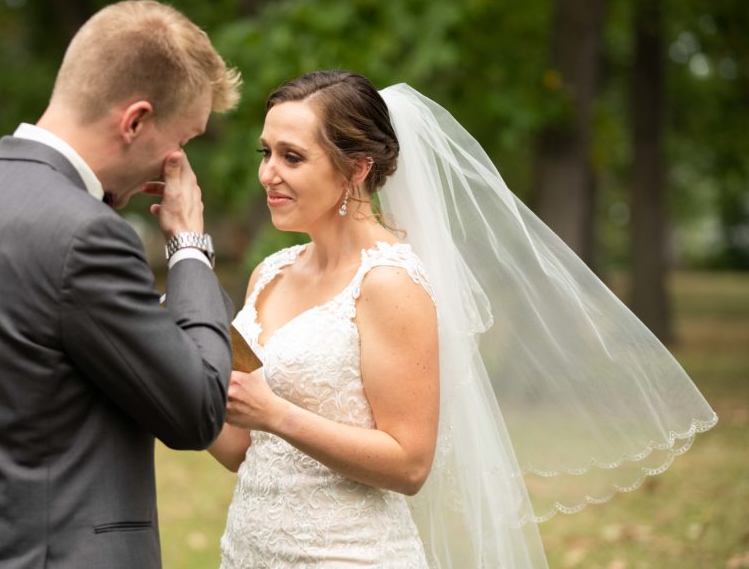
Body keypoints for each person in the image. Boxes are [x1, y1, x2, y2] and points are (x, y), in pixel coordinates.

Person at [211, 70, 717, 568]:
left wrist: (278, 414)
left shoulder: (389, 283)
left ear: (357, 168)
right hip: (246, 552)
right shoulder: (269, 274)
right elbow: (239, 448)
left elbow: (410, 463)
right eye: (266, 152)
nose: (267, 174)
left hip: (345, 556)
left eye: (291, 157)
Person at [0, 0, 241, 568]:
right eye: (184, 140)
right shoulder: (87, 236)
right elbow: (197, 409)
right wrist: (188, 247)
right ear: (135, 121)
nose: (178, 165)